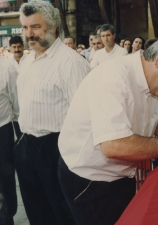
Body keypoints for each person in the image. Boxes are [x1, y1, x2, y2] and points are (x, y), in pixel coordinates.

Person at [57, 35, 158, 225]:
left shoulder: (152, 80)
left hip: (120, 176)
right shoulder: (113, 78)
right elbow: (114, 146)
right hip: (91, 180)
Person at [15, 1, 90, 224]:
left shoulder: (71, 63)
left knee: (61, 213)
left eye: (35, 27)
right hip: (27, 146)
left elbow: (84, 117)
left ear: (53, 27)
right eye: (25, 27)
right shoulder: (28, 59)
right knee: (36, 213)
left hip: (56, 149)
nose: (29, 34)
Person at [0, 57, 19, 225]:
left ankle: (7, 218)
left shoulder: (7, 68)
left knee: (5, 179)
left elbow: (17, 102)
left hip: (2, 132)